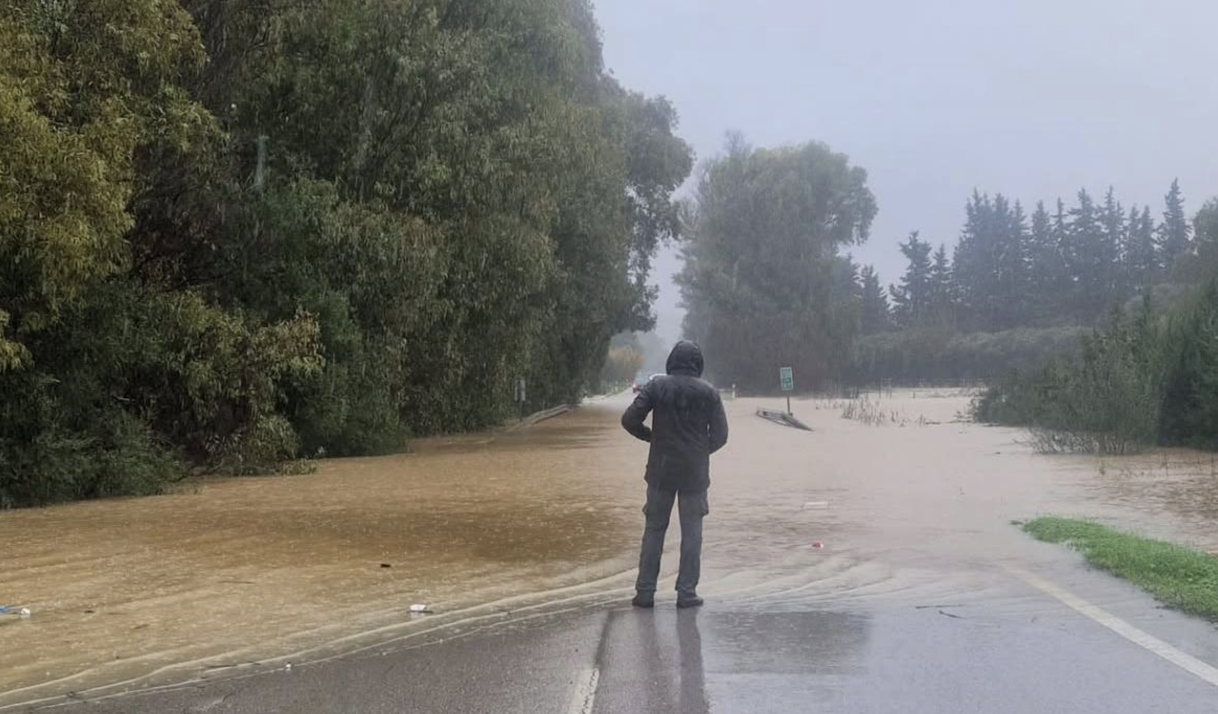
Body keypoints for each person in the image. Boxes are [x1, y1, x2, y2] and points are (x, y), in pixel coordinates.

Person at [621, 340, 729, 608]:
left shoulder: (656, 386)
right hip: (694, 473)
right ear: (698, 364)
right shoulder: (710, 392)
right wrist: (699, 452)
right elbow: (721, 436)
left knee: (654, 529)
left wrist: (652, 438)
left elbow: (629, 419)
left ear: (672, 361)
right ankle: (686, 593)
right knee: (692, 533)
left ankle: (645, 592)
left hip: (661, 469)